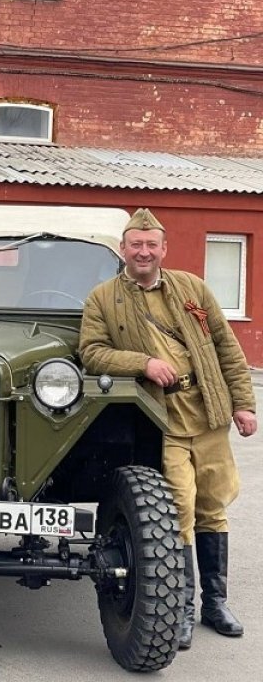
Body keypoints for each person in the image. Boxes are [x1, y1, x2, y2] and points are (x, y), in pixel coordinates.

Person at [80, 208, 257, 649]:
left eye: (151, 245)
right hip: (162, 417)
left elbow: (227, 347)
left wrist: (244, 404)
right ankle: (179, 608)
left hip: (209, 409)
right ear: (122, 249)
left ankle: (215, 602)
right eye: (135, 245)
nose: (143, 252)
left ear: (163, 249)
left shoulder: (192, 288)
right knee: (178, 508)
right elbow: (92, 352)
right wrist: (143, 363)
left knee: (214, 505)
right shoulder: (103, 297)